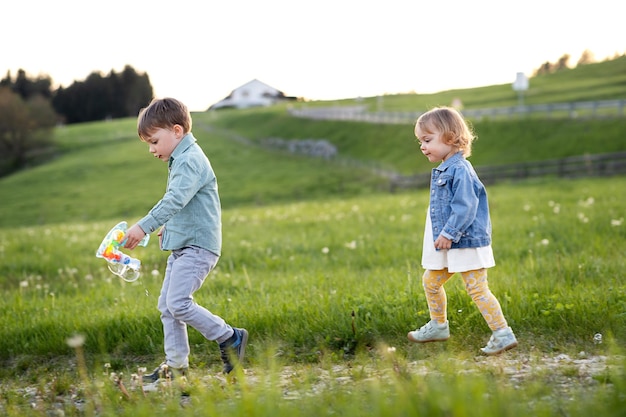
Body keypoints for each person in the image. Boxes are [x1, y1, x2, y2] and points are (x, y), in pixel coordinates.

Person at [123, 97, 248, 380]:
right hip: (185, 244)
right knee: (167, 306)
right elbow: (185, 203)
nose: (152, 150)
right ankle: (176, 367)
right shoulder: (182, 158)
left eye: (154, 141)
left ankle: (230, 337)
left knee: (178, 303)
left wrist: (143, 226)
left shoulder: (190, 160)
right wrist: (171, 227)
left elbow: (175, 199)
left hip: (198, 248)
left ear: (177, 131)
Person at [407, 106, 517, 355]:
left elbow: (466, 206)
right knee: (431, 281)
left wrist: (449, 233)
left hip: (464, 241)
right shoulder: (446, 168)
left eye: (427, 140)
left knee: (477, 288)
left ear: (450, 137)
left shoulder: (460, 170)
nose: (422, 147)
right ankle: (439, 325)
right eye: (420, 141)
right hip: (451, 243)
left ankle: (502, 333)